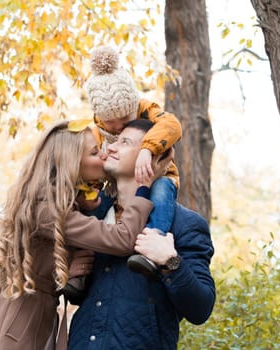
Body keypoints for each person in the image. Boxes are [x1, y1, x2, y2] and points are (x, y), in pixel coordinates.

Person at [0, 120, 170, 350]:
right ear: (71, 163)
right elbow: (121, 239)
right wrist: (143, 188)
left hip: (25, 318)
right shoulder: (48, 210)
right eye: (94, 152)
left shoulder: (58, 202)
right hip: (13, 325)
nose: (103, 155)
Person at [68, 119, 216, 350]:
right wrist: (69, 271)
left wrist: (170, 261)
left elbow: (201, 308)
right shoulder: (93, 213)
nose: (112, 148)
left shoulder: (185, 224)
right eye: (115, 142)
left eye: (125, 143)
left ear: (153, 156)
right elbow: (84, 296)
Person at [85, 45, 183, 276]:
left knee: (161, 190)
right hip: (113, 183)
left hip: (159, 174)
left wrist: (147, 149)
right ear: (100, 117)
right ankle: (81, 267)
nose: (119, 127)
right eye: (111, 122)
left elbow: (171, 125)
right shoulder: (96, 130)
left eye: (125, 118)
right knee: (93, 206)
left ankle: (151, 245)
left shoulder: (147, 109)